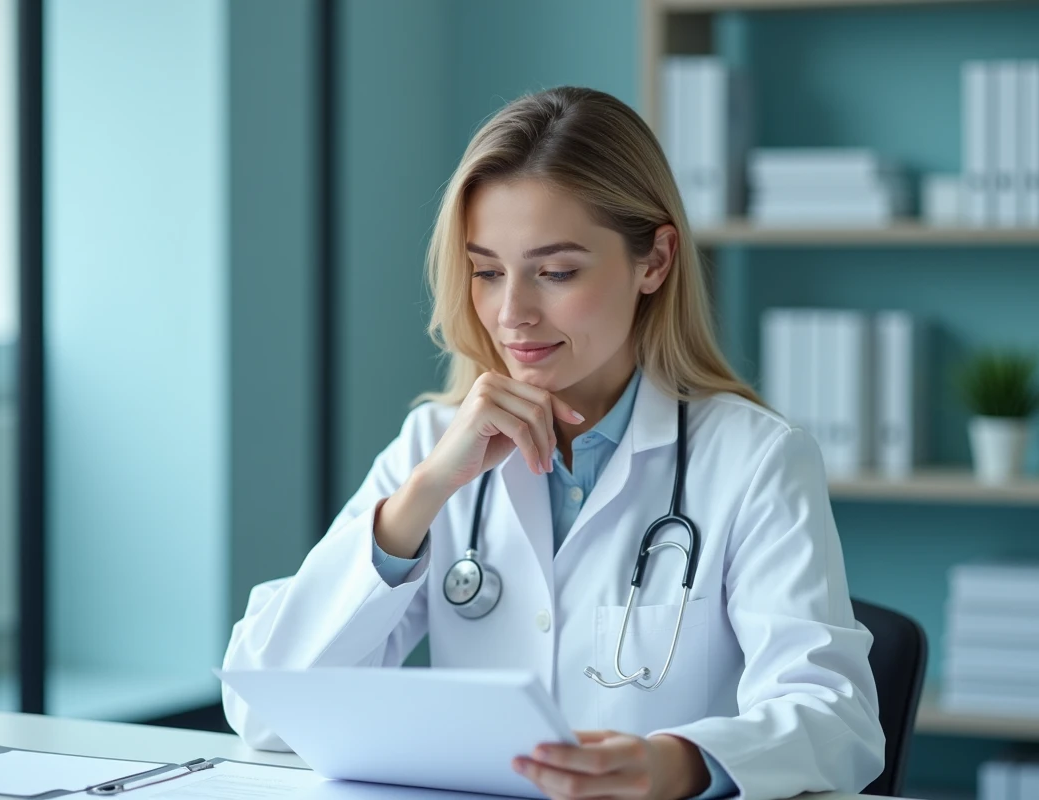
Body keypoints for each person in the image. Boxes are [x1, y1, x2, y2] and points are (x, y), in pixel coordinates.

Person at [222, 86, 885, 800]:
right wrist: (420, 498)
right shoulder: (433, 446)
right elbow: (262, 710)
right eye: (486, 271)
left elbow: (837, 718)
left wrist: (674, 763)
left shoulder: (755, 460)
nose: (512, 315)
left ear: (655, 261)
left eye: (557, 272)